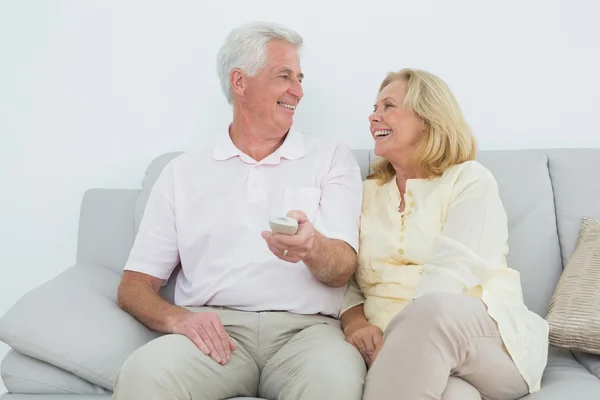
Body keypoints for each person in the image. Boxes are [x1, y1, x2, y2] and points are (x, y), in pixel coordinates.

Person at [112, 22, 366, 400]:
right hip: (214, 331)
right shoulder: (182, 173)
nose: (298, 90)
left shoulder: (330, 159)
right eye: (284, 76)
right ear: (240, 82)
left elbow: (342, 269)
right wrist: (178, 318)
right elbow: (134, 286)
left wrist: (312, 247)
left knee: (334, 383)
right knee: (143, 376)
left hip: (309, 335)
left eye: (299, 78)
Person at [340, 68, 549, 400]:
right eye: (375, 107)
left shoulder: (469, 180)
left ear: (426, 118)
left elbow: (452, 272)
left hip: (483, 341)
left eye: (388, 106)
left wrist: (399, 345)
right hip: (409, 355)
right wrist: (354, 322)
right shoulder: (367, 193)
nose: (373, 116)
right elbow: (347, 279)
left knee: (432, 310)